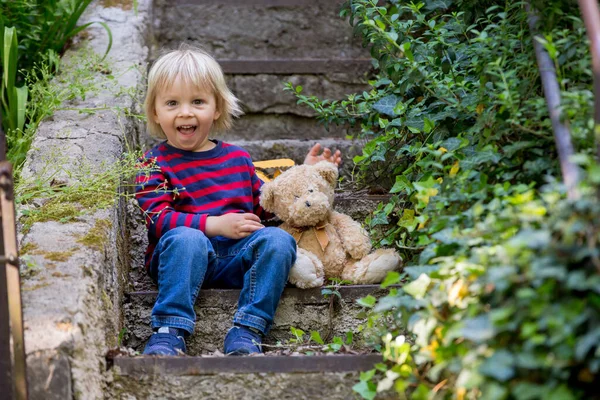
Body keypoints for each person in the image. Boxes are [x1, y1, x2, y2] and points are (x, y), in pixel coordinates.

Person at [135, 45, 342, 356]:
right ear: (155, 112)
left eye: (198, 101)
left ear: (216, 108)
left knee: (277, 241)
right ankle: (169, 330)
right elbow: (157, 219)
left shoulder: (238, 159)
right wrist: (214, 224)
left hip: (235, 257)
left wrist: (305, 176)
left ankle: (248, 329)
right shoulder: (152, 162)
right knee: (187, 239)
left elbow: (268, 210)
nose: (186, 112)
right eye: (172, 103)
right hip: (182, 258)